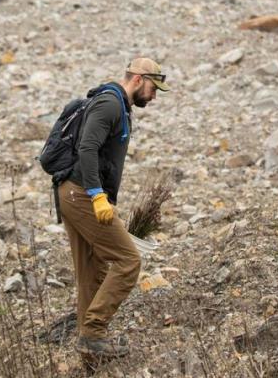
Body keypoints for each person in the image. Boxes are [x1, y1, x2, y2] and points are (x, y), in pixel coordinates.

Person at [59, 57, 169, 359]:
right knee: (128, 260)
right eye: (153, 88)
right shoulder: (109, 104)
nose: (154, 95)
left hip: (74, 194)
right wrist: (96, 195)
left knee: (91, 272)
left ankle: (90, 354)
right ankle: (93, 333)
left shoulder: (117, 104)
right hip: (81, 195)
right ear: (137, 79)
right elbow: (87, 147)